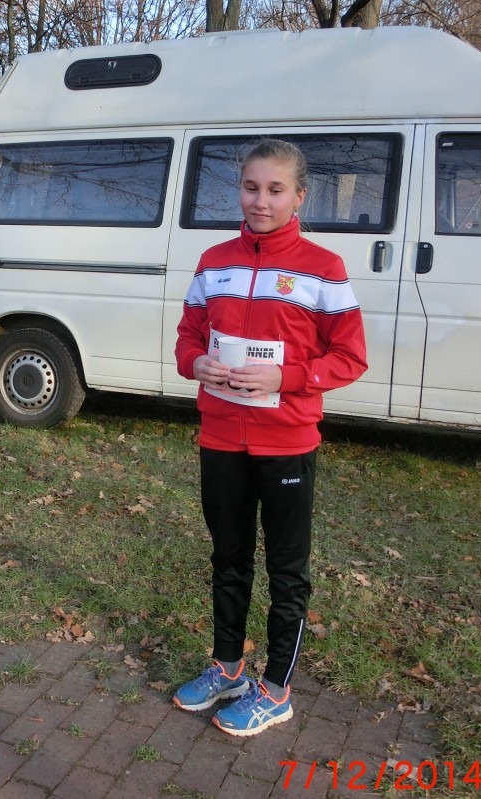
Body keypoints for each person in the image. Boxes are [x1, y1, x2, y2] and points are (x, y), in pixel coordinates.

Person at [173, 139, 368, 736]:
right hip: (222, 440)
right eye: (251, 187)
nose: (261, 200)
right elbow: (187, 338)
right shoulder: (213, 261)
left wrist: (287, 377)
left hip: (288, 442)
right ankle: (228, 667)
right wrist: (196, 363)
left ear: (298, 196)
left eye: (275, 189)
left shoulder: (324, 267)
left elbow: (351, 357)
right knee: (228, 559)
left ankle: (276, 689)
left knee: (287, 571)